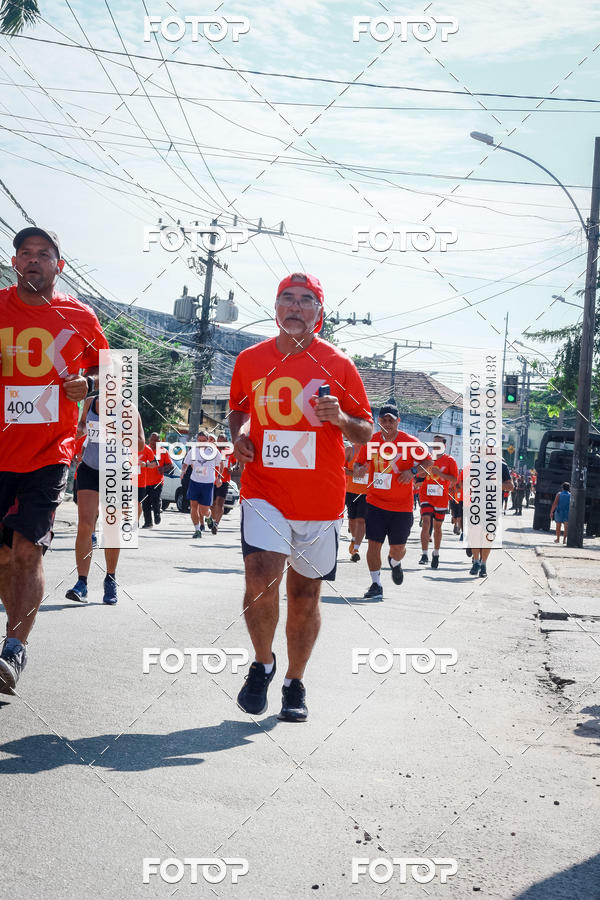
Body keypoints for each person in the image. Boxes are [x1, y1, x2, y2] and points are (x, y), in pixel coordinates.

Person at [229, 272, 372, 722]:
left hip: (320, 498)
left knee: (306, 595)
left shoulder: (339, 365)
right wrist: (239, 437)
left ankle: (294, 681)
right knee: (260, 575)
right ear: (276, 309)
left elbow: (365, 429)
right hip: (263, 489)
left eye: (305, 300)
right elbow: (238, 409)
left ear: (319, 313)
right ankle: (262, 663)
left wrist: (341, 419)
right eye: (286, 299)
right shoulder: (250, 360)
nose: (295, 306)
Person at [0, 227, 108, 694]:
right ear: (14, 261)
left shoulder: (80, 318)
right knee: (4, 557)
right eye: (25, 253)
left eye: (44, 254)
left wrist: (92, 386)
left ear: (58, 267)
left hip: (50, 454)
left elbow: (113, 376)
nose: (33, 261)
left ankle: (13, 651)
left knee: (27, 550)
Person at [65, 394, 145, 604]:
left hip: (117, 472)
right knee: (84, 525)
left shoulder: (129, 408)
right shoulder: (91, 403)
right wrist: (79, 433)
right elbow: (82, 424)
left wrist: (117, 432)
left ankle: (110, 578)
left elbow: (140, 444)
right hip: (89, 469)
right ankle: (81, 583)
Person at [354, 404, 431, 599]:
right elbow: (358, 462)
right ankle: (376, 584)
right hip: (375, 503)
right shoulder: (371, 442)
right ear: (378, 421)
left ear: (398, 421)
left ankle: (395, 562)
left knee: (398, 549)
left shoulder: (410, 442)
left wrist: (413, 471)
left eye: (391, 420)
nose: (387, 423)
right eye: (384, 420)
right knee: (373, 545)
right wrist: (359, 468)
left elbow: (429, 463)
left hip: (402, 507)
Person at [418, 435, 458, 569]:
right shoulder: (427, 459)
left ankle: (436, 553)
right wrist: (423, 472)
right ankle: (424, 554)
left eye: (438, 444)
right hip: (426, 495)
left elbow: (454, 479)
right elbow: (420, 474)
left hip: (441, 498)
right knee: (426, 522)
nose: (435, 446)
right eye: (434, 443)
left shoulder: (450, 460)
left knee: (437, 528)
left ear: (444, 446)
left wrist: (440, 474)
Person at [468, 460, 513, 577]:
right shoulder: (476, 463)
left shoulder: (502, 466)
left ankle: (483, 564)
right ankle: (476, 562)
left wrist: (497, 483)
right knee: (475, 534)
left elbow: (511, 486)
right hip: (476, 505)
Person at [181, 432, 222, 538]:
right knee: (193, 506)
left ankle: (208, 517)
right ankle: (197, 530)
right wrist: (183, 471)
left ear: (208, 440)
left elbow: (221, 463)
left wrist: (219, 478)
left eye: (203, 441)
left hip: (207, 483)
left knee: (204, 510)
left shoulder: (213, 450)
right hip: (194, 482)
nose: (201, 443)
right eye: (199, 440)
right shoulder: (193, 450)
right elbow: (186, 463)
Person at [142, 432, 173, 528]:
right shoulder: (144, 450)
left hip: (157, 481)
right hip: (144, 481)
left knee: (155, 499)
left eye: (156, 440)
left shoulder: (163, 451)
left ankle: (157, 514)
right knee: (145, 502)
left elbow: (170, 465)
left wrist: (163, 469)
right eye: (152, 440)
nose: (153, 442)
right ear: (149, 440)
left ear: (159, 441)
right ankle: (148, 522)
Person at [344, 442, 368, 562]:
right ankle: (353, 540)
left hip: (366, 492)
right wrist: (354, 473)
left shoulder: (372, 450)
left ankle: (356, 548)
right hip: (351, 491)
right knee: (352, 519)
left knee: (361, 520)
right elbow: (340, 467)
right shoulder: (350, 450)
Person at [208, 433, 234, 535]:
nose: (220, 443)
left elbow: (235, 463)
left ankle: (216, 524)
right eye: (219, 440)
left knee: (220, 503)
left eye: (222, 440)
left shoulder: (230, 451)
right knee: (211, 504)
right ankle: (212, 519)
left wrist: (232, 467)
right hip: (212, 480)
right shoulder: (212, 450)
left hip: (224, 481)